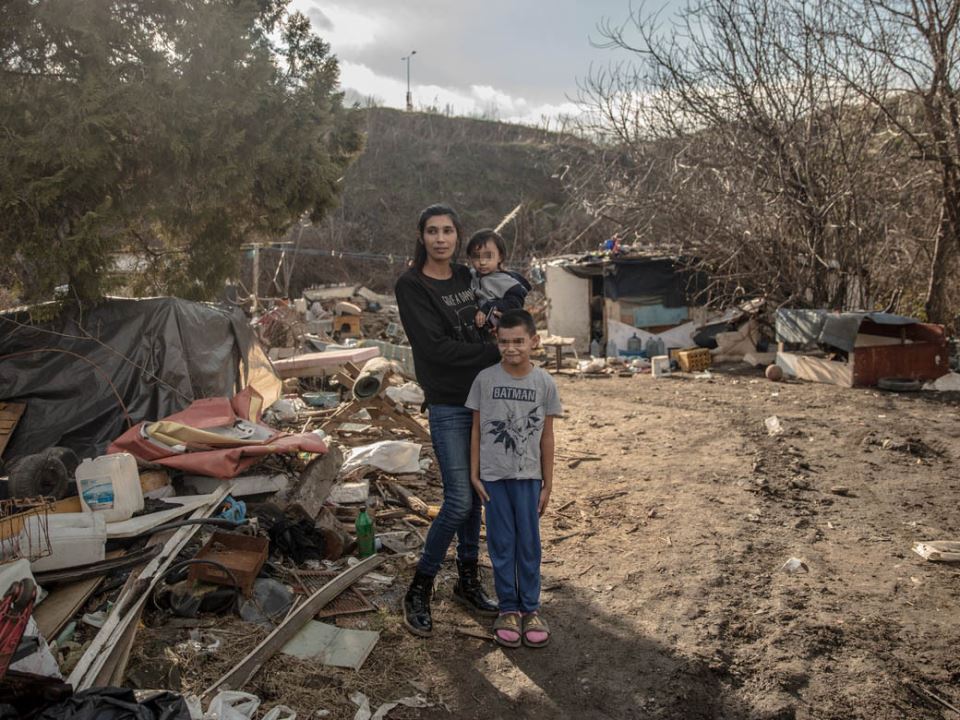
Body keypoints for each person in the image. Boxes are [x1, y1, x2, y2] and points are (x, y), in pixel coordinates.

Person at [394, 203, 501, 637]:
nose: (441, 239)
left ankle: (468, 581)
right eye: (432, 231)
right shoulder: (411, 285)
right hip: (448, 404)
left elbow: (493, 316)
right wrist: (495, 352)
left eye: (448, 231)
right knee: (457, 499)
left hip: (483, 400)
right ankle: (419, 587)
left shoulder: (465, 277)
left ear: (458, 237)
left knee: (477, 498)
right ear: (421, 236)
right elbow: (435, 349)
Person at [466, 308, 562, 648]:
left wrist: (547, 482)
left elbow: (547, 436)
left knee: (529, 545)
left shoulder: (544, 382)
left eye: (519, 341)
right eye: (504, 341)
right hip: (493, 478)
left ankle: (531, 609)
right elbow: (476, 429)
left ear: (534, 341)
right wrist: (475, 473)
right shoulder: (485, 379)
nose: (511, 348)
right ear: (497, 341)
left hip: (528, 477)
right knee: (501, 543)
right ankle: (508, 608)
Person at [466, 229, 532, 329]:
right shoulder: (471, 275)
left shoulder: (505, 281)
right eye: (476, 256)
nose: (482, 262)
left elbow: (514, 303)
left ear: (500, 257)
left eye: (488, 256)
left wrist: (488, 308)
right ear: (470, 258)